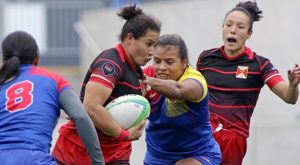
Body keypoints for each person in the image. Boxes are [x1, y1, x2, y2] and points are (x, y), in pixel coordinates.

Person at [52, 4, 161, 165]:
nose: (152, 52)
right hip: (79, 152)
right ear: (130, 38)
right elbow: (91, 106)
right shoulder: (110, 64)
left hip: (116, 153)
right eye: (148, 44)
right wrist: (124, 134)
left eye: (155, 46)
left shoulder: (137, 70)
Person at [197, 1, 300, 165]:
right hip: (203, 134)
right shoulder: (206, 58)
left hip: (233, 141)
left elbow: (289, 98)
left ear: (249, 34)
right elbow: (196, 94)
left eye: (240, 27)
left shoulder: (260, 64)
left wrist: (293, 85)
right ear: (222, 28)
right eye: (228, 24)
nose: (233, 30)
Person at [0, 31, 104, 165]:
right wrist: (98, 162)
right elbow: (81, 117)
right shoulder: (55, 81)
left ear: (4, 59)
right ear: (36, 58)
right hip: (36, 159)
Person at [142, 34, 221, 165]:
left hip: (197, 153)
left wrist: (147, 81)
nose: (161, 67)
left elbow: (178, 90)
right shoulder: (148, 74)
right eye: (157, 61)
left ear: (184, 62)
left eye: (169, 62)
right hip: (157, 155)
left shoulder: (195, 81)